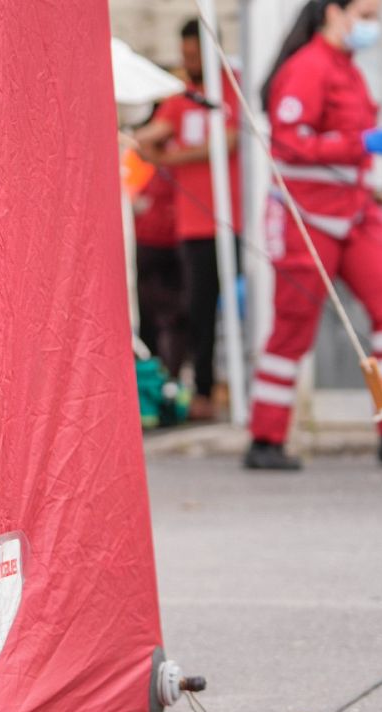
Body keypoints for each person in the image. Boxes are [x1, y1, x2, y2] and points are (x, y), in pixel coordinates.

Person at [244, 0, 382, 469]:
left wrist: (374, 137)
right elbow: (289, 143)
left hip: (356, 214)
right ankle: (265, 440)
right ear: (333, 12)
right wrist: (357, 143)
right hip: (308, 218)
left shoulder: (351, 68)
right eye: (366, 14)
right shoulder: (307, 68)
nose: (371, 25)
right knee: (293, 328)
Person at [134, 19, 244, 421]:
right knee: (197, 311)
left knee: (237, 309)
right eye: (185, 56)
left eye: (194, 55)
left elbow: (228, 142)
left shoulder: (233, 89)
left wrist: (168, 157)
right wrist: (153, 146)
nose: (189, 62)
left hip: (235, 219)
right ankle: (202, 390)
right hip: (194, 224)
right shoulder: (183, 99)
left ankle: (228, 386)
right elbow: (149, 135)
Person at [134, 158, 186, 382]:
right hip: (150, 246)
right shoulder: (145, 165)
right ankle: (156, 378)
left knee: (173, 318)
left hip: (172, 247)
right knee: (152, 317)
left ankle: (166, 378)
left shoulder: (171, 163)